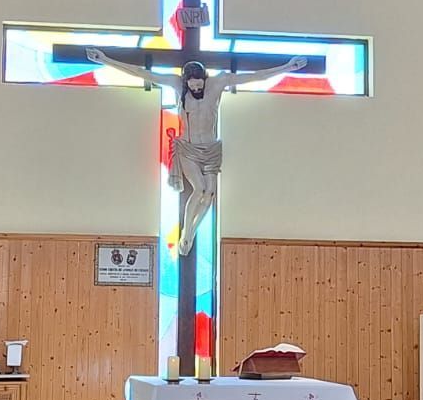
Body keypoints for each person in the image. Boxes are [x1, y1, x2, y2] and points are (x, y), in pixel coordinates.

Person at [86, 48, 305, 255]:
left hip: (211, 149)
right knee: (199, 189)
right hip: (188, 148)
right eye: (193, 84)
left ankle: (192, 230)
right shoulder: (176, 84)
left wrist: (287, 67)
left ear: (204, 79)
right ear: (186, 81)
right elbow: (142, 73)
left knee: (209, 194)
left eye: (200, 84)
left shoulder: (218, 82)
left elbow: (255, 76)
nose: (197, 88)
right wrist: (104, 59)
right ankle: (186, 234)